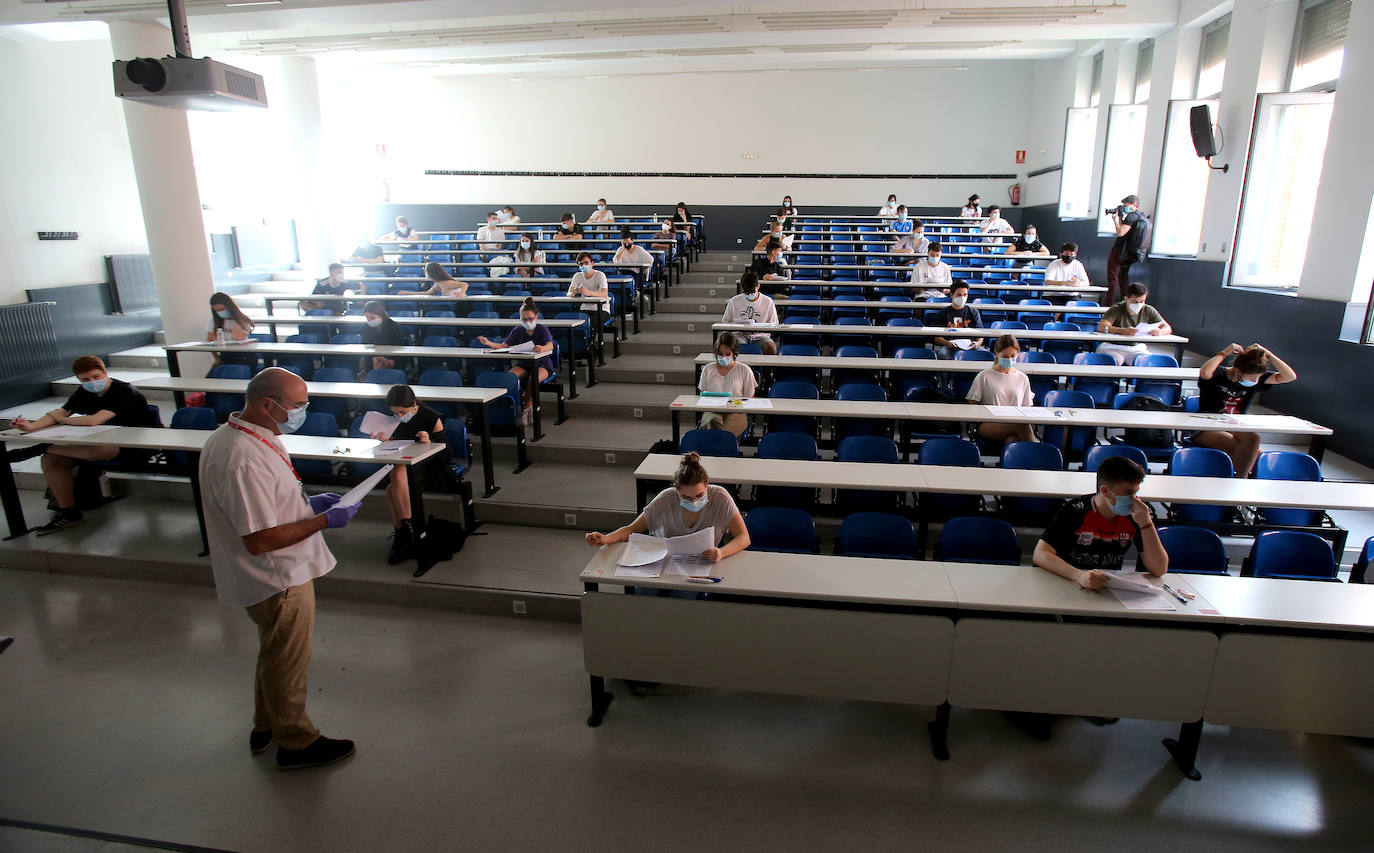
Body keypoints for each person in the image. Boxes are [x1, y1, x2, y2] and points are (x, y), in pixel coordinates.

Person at [198, 367, 360, 771]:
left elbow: (270, 502)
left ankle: (265, 722)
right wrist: (324, 521)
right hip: (277, 577)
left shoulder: (247, 436)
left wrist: (307, 505)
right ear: (267, 404)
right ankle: (297, 742)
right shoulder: (240, 458)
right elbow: (260, 539)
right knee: (289, 659)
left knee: (274, 651)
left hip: (276, 572)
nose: (303, 411)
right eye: (298, 405)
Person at [10, 355, 157, 535]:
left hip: (136, 443)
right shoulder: (84, 392)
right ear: (79, 379)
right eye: (85, 379)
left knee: (104, 449)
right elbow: (61, 412)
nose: (92, 382)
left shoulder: (125, 391)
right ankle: (69, 513)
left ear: (105, 372)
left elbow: (94, 421)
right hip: (98, 441)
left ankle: (42, 446)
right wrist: (31, 426)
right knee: (51, 461)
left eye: (96, 376)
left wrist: (63, 420)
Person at [584, 452, 750, 564]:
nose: (693, 501)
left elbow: (743, 537)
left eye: (699, 496)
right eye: (686, 497)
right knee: (646, 592)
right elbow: (631, 530)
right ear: (676, 490)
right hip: (664, 561)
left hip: (700, 563)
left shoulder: (720, 497)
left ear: (707, 485)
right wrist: (605, 539)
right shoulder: (665, 499)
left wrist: (721, 553)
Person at [1033, 455, 1168, 588]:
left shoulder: (1137, 515)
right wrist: (1079, 576)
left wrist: (1146, 523)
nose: (1134, 500)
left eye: (1135, 493)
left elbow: (1159, 569)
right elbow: (1040, 554)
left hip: (1108, 586)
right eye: (1128, 493)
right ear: (1105, 491)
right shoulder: (1075, 510)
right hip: (1069, 582)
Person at [370, 384, 451, 566]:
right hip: (404, 466)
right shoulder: (393, 421)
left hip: (430, 467)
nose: (398, 416)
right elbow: (395, 445)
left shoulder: (430, 417)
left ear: (413, 404)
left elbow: (446, 455)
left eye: (402, 411)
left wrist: (429, 442)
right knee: (392, 487)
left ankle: (405, 530)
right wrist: (385, 441)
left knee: (397, 474)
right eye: (395, 413)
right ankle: (405, 532)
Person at [1193, 343, 1298, 477]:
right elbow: (1205, 372)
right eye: (1252, 377)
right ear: (1238, 371)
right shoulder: (1219, 374)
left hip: (1236, 426)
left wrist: (1268, 354)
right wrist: (1224, 352)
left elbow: (1290, 376)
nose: (1255, 380)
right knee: (1251, 449)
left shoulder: (1257, 380)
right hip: (1206, 426)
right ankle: (1239, 481)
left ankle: (1235, 480)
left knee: (1252, 441)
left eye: (1258, 377)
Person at [476, 298, 555, 413]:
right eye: (524, 319)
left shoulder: (542, 329)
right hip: (524, 364)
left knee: (534, 378)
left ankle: (528, 406)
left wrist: (541, 348)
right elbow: (505, 346)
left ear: (536, 317)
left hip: (542, 365)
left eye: (531, 319)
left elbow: (550, 345)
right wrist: (488, 343)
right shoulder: (517, 330)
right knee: (510, 377)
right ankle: (513, 405)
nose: (528, 322)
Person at [965, 334, 1036, 445]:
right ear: (997, 354)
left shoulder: (1023, 378)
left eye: (1013, 356)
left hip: (1014, 421)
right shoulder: (984, 376)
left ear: (1018, 353)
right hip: (989, 423)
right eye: (1005, 356)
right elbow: (972, 405)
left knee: (1012, 440)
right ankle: (1038, 456)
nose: (1009, 359)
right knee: (1021, 424)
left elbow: (1026, 407)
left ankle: (1011, 460)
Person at [1095, 282, 1172, 365]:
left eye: (1142, 301)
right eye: (1134, 302)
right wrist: (1124, 331)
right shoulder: (1117, 309)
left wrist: (1160, 332)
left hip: (1136, 347)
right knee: (1114, 360)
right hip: (1113, 346)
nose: (1138, 305)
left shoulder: (1148, 310)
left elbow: (1167, 327)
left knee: (1147, 362)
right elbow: (1102, 327)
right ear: (1126, 299)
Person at [696, 335, 758, 436]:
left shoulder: (744, 370)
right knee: (713, 421)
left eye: (728, 354)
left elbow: (750, 398)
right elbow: (703, 396)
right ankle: (723, 448)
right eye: (720, 354)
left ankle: (718, 448)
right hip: (712, 411)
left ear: (734, 353)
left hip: (737, 411)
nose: (724, 357)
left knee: (726, 430)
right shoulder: (708, 369)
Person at [721, 271, 778, 354]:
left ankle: (768, 367)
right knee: (734, 345)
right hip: (739, 334)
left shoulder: (768, 301)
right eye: (746, 293)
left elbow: (775, 324)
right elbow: (725, 323)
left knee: (770, 347)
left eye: (752, 293)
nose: (749, 295)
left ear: (758, 286)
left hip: (760, 336)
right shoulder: (734, 301)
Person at [1107, 195, 1148, 304]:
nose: (1124, 208)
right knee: (1123, 278)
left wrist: (1115, 221)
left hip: (1120, 252)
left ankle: (1109, 306)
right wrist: (1121, 218)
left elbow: (1121, 232)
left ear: (1134, 205)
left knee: (1113, 278)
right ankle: (1127, 304)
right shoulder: (1143, 218)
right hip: (1132, 254)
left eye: (1126, 206)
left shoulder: (1132, 217)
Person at [930, 282, 984, 359]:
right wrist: (948, 344)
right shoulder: (943, 313)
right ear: (952, 295)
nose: (962, 298)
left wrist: (977, 343)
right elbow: (937, 338)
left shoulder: (973, 312)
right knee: (943, 355)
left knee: (985, 355)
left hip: (970, 345)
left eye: (965, 295)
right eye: (959, 295)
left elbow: (980, 334)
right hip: (950, 346)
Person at [360, 300, 409, 374]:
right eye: (367, 318)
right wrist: (379, 357)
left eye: (372, 318)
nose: (369, 321)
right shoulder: (366, 327)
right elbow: (365, 345)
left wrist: (385, 360)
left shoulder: (393, 326)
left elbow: (398, 347)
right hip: (373, 356)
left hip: (392, 357)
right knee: (369, 361)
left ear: (380, 314)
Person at [613, 228, 655, 296]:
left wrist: (645, 268)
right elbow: (616, 261)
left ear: (632, 241)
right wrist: (623, 249)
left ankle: (635, 295)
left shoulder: (639, 249)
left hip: (637, 273)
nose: (627, 244)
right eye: (624, 243)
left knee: (634, 283)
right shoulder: (620, 250)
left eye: (628, 243)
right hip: (624, 273)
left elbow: (651, 259)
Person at [397, 262, 468, 298]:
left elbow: (464, 284)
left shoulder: (447, 283)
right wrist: (408, 293)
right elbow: (427, 293)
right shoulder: (439, 284)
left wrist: (461, 293)